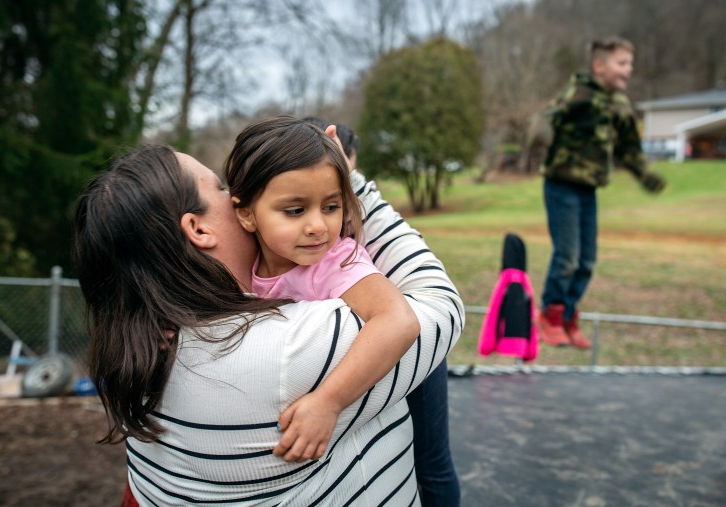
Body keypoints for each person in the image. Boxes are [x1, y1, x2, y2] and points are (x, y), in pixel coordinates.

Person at [73, 126, 463, 505]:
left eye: (330, 205)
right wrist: (356, 185)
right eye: (221, 188)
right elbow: (437, 307)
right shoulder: (284, 353)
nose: (236, 196)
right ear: (197, 228)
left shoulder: (151, 342)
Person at [223, 116, 420, 462]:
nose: (318, 226)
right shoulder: (240, 263)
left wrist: (329, 402)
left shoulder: (333, 263)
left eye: (331, 206)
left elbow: (399, 320)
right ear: (247, 214)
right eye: (295, 210)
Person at [302, 117, 462, 506]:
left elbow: (425, 301)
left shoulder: (364, 227)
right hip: (354, 358)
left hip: (409, 346)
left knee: (431, 458)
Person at [529, 36, 666, 349]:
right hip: (561, 184)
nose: (628, 70)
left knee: (587, 260)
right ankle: (549, 316)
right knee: (568, 256)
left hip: (589, 189)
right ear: (599, 65)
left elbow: (628, 146)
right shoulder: (580, 93)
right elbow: (548, 115)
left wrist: (643, 174)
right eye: (622, 63)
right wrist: (540, 131)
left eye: (630, 64)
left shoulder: (619, 104)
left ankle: (567, 317)